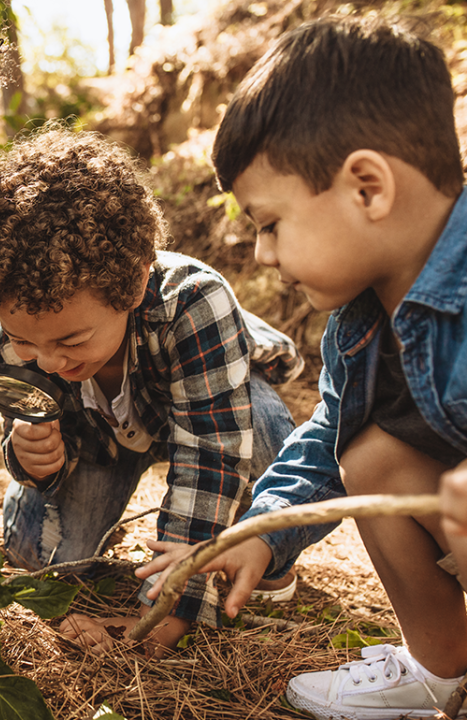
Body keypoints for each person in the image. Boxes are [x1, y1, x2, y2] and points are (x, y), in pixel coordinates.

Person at [138, 15, 467, 719]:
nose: (260, 255)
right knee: (369, 456)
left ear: (367, 189)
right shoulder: (358, 321)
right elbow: (323, 441)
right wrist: (258, 533)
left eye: (269, 224)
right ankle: (439, 668)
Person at [0, 126, 304, 654]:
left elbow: (210, 454)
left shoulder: (194, 303)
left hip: (202, 403)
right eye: (27, 341)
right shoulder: (17, 336)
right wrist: (32, 459)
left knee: (268, 434)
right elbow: (22, 427)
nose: (48, 361)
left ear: (134, 283)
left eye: (71, 339)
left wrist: (169, 607)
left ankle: (266, 552)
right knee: (37, 557)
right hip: (101, 441)